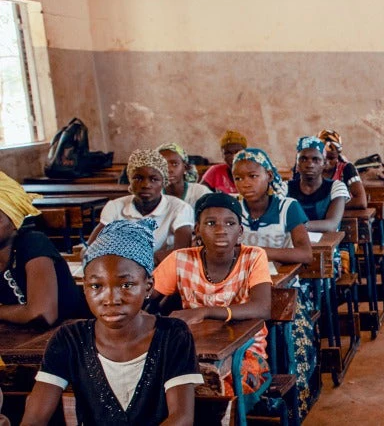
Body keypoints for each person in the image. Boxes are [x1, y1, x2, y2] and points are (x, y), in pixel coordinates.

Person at [22, 220, 202, 425]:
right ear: (85, 288)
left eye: (126, 285)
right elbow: (35, 417)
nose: (110, 299)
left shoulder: (172, 334)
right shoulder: (70, 339)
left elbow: (181, 418)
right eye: (96, 286)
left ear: (148, 287)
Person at [152, 193, 272, 399]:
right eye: (210, 223)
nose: (221, 230)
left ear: (240, 231)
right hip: (193, 351)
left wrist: (205, 311)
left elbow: (262, 307)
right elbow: (146, 297)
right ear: (197, 230)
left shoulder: (253, 257)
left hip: (245, 353)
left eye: (230, 223)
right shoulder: (180, 259)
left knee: (216, 391)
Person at [231, 148, 320, 416]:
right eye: (238, 178)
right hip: (242, 289)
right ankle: (245, 396)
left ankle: (298, 400)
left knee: (296, 334)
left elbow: (305, 253)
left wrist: (257, 254)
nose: (245, 183)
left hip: (284, 288)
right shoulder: (232, 208)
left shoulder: (286, 207)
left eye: (252, 176)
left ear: (268, 176)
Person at [0, 172, 86, 325]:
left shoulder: (33, 243)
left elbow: (43, 314)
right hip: (17, 343)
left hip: (70, 337)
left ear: (14, 222)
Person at [90, 149, 194, 264]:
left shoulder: (179, 208)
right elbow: (92, 248)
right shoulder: (115, 207)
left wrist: (135, 260)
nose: (146, 185)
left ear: (163, 182)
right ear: (130, 180)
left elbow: (182, 252)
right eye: (138, 178)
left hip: (162, 270)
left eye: (154, 179)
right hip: (122, 270)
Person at [289, 136, 349, 232]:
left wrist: (293, 227)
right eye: (303, 159)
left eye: (316, 159)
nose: (310, 165)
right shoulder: (285, 188)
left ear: (324, 164)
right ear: (297, 165)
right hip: (293, 244)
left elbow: (331, 225)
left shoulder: (336, 187)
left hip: (328, 244)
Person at [317, 129, 368, 209]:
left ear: (337, 156)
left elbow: (361, 202)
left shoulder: (346, 169)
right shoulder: (309, 170)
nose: (326, 162)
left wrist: (327, 207)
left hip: (345, 217)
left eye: (331, 158)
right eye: (322, 157)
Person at [157, 142, 212, 207]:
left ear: (185, 168)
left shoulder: (200, 192)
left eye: (175, 164)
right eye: (162, 164)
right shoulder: (153, 193)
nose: (169, 170)